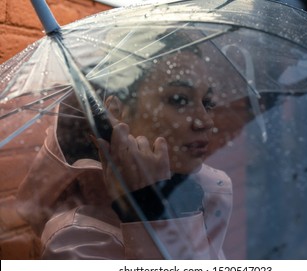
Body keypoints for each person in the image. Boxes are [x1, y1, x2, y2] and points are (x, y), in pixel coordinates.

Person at [16, 30, 235, 259]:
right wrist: (152, 213)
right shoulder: (78, 240)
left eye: (207, 102)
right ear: (117, 113)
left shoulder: (207, 191)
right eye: (179, 99)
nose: (206, 122)